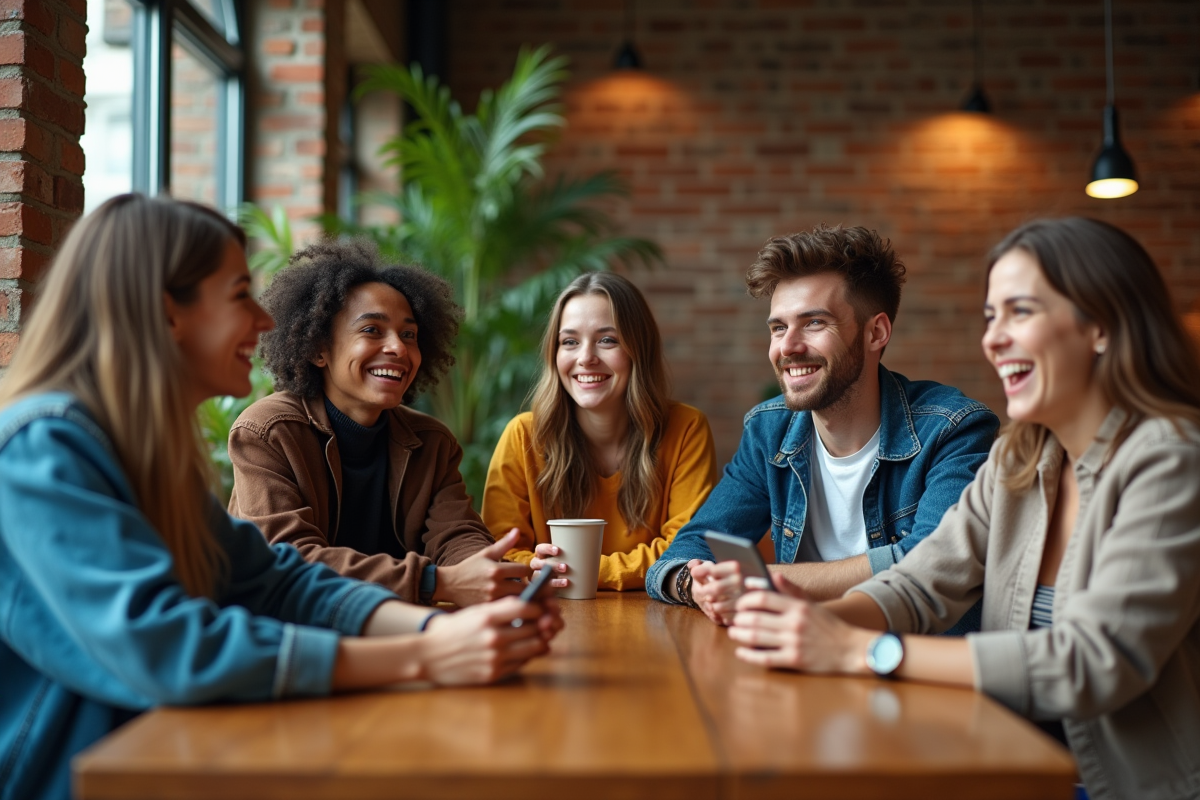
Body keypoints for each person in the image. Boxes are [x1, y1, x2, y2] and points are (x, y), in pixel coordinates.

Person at [0, 195, 561, 800]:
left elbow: (273, 579)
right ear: (168, 314)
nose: (264, 321)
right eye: (240, 294)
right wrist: (424, 655)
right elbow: (167, 645)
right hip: (81, 774)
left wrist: (435, 629)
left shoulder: (141, 453)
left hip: (174, 750)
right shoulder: (45, 447)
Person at [728, 218, 1200, 800]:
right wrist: (818, 621)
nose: (994, 339)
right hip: (1002, 766)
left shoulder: (1171, 461)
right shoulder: (1021, 459)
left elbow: (1095, 662)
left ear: (1100, 326)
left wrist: (863, 649)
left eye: (1020, 312)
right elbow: (923, 583)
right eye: (990, 317)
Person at [646, 225, 1000, 627]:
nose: (788, 347)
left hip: (915, 667)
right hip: (798, 661)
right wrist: (698, 584)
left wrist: (759, 581)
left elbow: (927, 564)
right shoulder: (769, 431)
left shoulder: (953, 429)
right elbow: (682, 554)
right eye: (778, 327)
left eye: (814, 323)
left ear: (876, 333)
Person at [228, 240, 530, 606]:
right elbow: (290, 560)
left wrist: (488, 570)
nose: (399, 349)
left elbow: (456, 534)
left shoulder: (431, 442)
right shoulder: (269, 431)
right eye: (372, 330)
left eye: (409, 335)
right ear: (317, 349)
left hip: (399, 630)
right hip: (290, 640)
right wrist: (433, 582)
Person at [482, 272, 718, 591]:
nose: (585, 358)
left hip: (656, 619)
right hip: (549, 615)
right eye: (569, 342)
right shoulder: (523, 435)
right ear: (554, 354)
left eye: (607, 340)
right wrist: (532, 567)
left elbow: (686, 551)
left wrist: (577, 571)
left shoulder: (686, 429)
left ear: (639, 350)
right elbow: (499, 550)